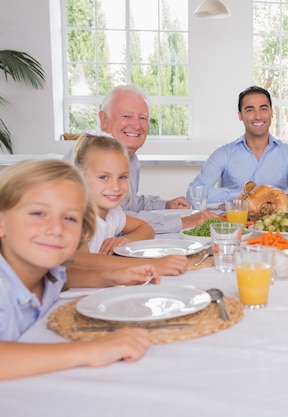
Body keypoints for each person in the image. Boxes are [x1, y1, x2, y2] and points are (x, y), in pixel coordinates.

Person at [0, 159, 151, 380]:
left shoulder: (48, 272)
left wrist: (110, 277)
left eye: (70, 218)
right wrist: (93, 350)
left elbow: (64, 278)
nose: (56, 228)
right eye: (38, 213)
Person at [66, 85, 217, 233]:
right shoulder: (84, 156)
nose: (137, 125)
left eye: (143, 118)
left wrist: (165, 204)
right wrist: (182, 222)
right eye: (127, 116)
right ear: (104, 120)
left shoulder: (131, 159)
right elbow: (115, 216)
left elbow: (128, 204)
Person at [68, 134, 188, 287]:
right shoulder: (76, 216)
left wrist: (125, 240)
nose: (116, 187)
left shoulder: (114, 213)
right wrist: (152, 265)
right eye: (104, 177)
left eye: (123, 177)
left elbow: (146, 228)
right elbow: (81, 260)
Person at [188, 86, 288, 204]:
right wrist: (243, 196)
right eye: (250, 110)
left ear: (271, 112)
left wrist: (275, 196)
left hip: (276, 231)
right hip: (235, 227)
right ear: (240, 115)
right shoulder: (224, 154)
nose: (258, 116)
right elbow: (194, 194)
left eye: (263, 108)